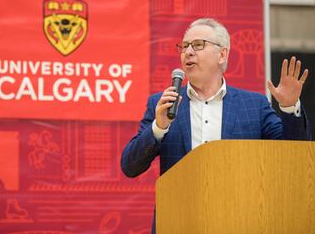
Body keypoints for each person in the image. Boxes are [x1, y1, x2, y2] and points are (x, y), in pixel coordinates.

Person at [120, 18, 312, 233]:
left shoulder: (253, 105)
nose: (188, 52)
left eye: (198, 45)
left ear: (222, 54)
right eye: (184, 46)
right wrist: (159, 127)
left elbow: (291, 156)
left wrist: (289, 108)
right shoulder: (162, 104)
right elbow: (130, 166)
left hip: (239, 221)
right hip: (179, 222)